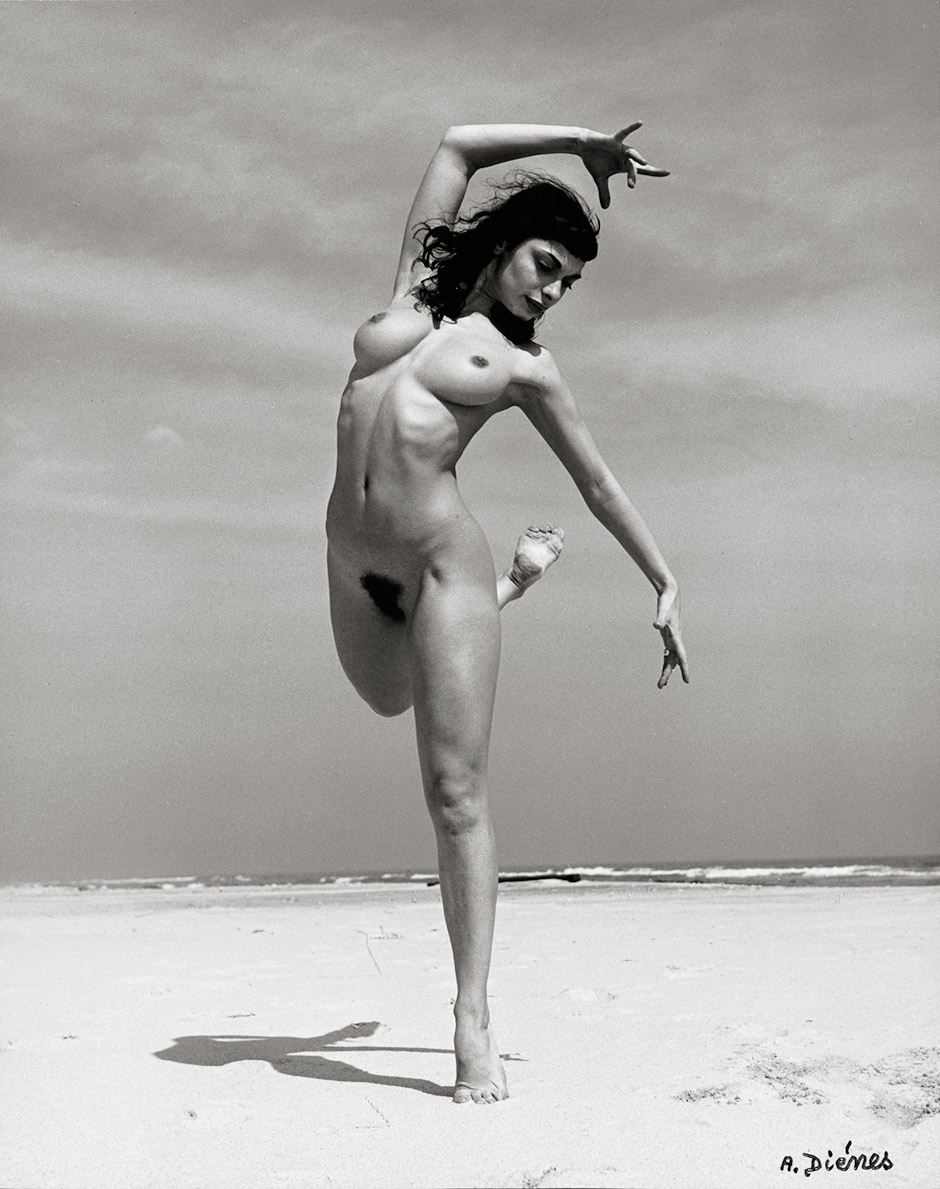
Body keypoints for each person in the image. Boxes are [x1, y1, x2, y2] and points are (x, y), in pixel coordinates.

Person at [326, 122, 690, 1104]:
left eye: (568, 283)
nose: (551, 291)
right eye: (544, 265)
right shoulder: (414, 297)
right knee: (385, 697)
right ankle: (514, 592)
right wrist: (581, 143)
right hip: (351, 562)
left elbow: (598, 483)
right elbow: (454, 148)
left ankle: (472, 1017)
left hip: (439, 564)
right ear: (500, 247)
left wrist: (661, 577)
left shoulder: (526, 369)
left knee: (455, 793)